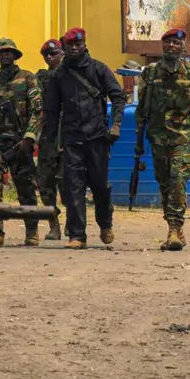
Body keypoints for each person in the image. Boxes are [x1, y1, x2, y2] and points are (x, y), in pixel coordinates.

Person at [136, 27, 190, 251]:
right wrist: (138, 139)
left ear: (183, 48)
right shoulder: (150, 73)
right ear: (162, 46)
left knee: (178, 181)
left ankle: (175, 228)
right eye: (168, 42)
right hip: (157, 139)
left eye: (177, 43)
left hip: (182, 138)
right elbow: (142, 108)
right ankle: (174, 229)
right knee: (165, 185)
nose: (172, 46)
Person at [42, 27, 126, 249]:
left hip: (97, 137)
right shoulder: (58, 76)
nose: (75, 48)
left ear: (84, 45)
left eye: (78, 44)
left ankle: (105, 224)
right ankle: (77, 236)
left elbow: (118, 96)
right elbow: (51, 112)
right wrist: (50, 144)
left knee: (99, 187)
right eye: (70, 45)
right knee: (73, 187)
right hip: (72, 141)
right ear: (65, 47)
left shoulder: (98, 69)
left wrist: (116, 124)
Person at [0, 37, 42, 248]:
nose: (4, 55)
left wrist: (30, 137)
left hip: (20, 143)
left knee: (26, 188)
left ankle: (31, 231)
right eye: (0, 52)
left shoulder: (28, 79)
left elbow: (37, 111)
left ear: (15, 55)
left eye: (8, 52)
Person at [35, 38, 66, 240]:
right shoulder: (41, 78)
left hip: (69, 136)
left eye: (54, 54)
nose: (49, 57)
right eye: (46, 55)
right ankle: (53, 225)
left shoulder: (74, 74)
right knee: (45, 182)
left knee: (69, 183)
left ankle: (74, 225)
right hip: (48, 136)